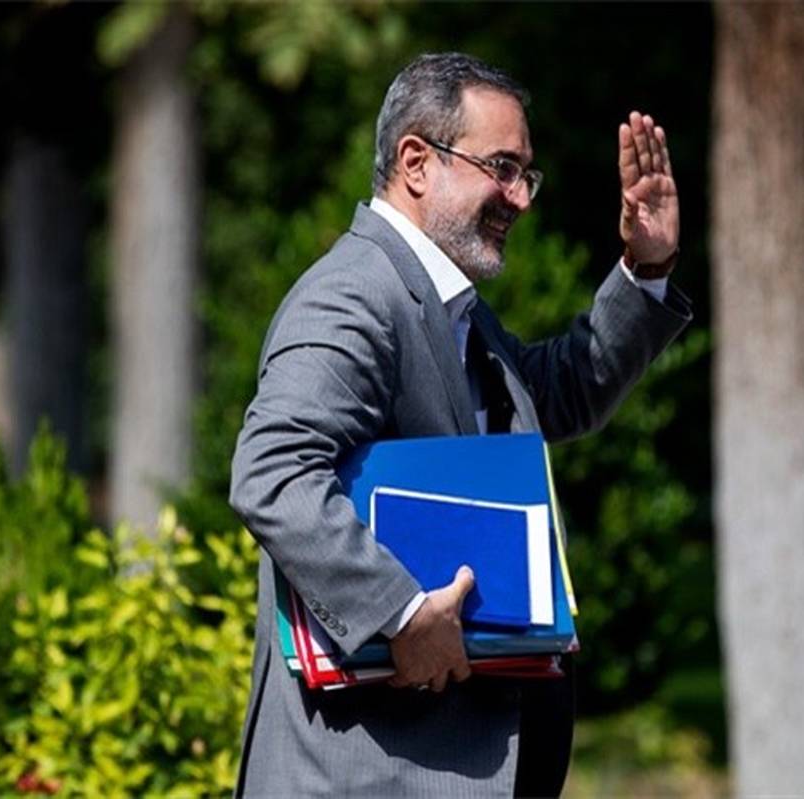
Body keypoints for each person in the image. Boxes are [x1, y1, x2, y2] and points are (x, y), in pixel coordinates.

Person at [229, 52, 691, 797]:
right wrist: (402, 613)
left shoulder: (449, 307)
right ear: (417, 162)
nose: (521, 198)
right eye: (502, 168)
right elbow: (273, 474)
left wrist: (648, 267)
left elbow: (559, 394)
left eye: (527, 175)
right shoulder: (352, 296)